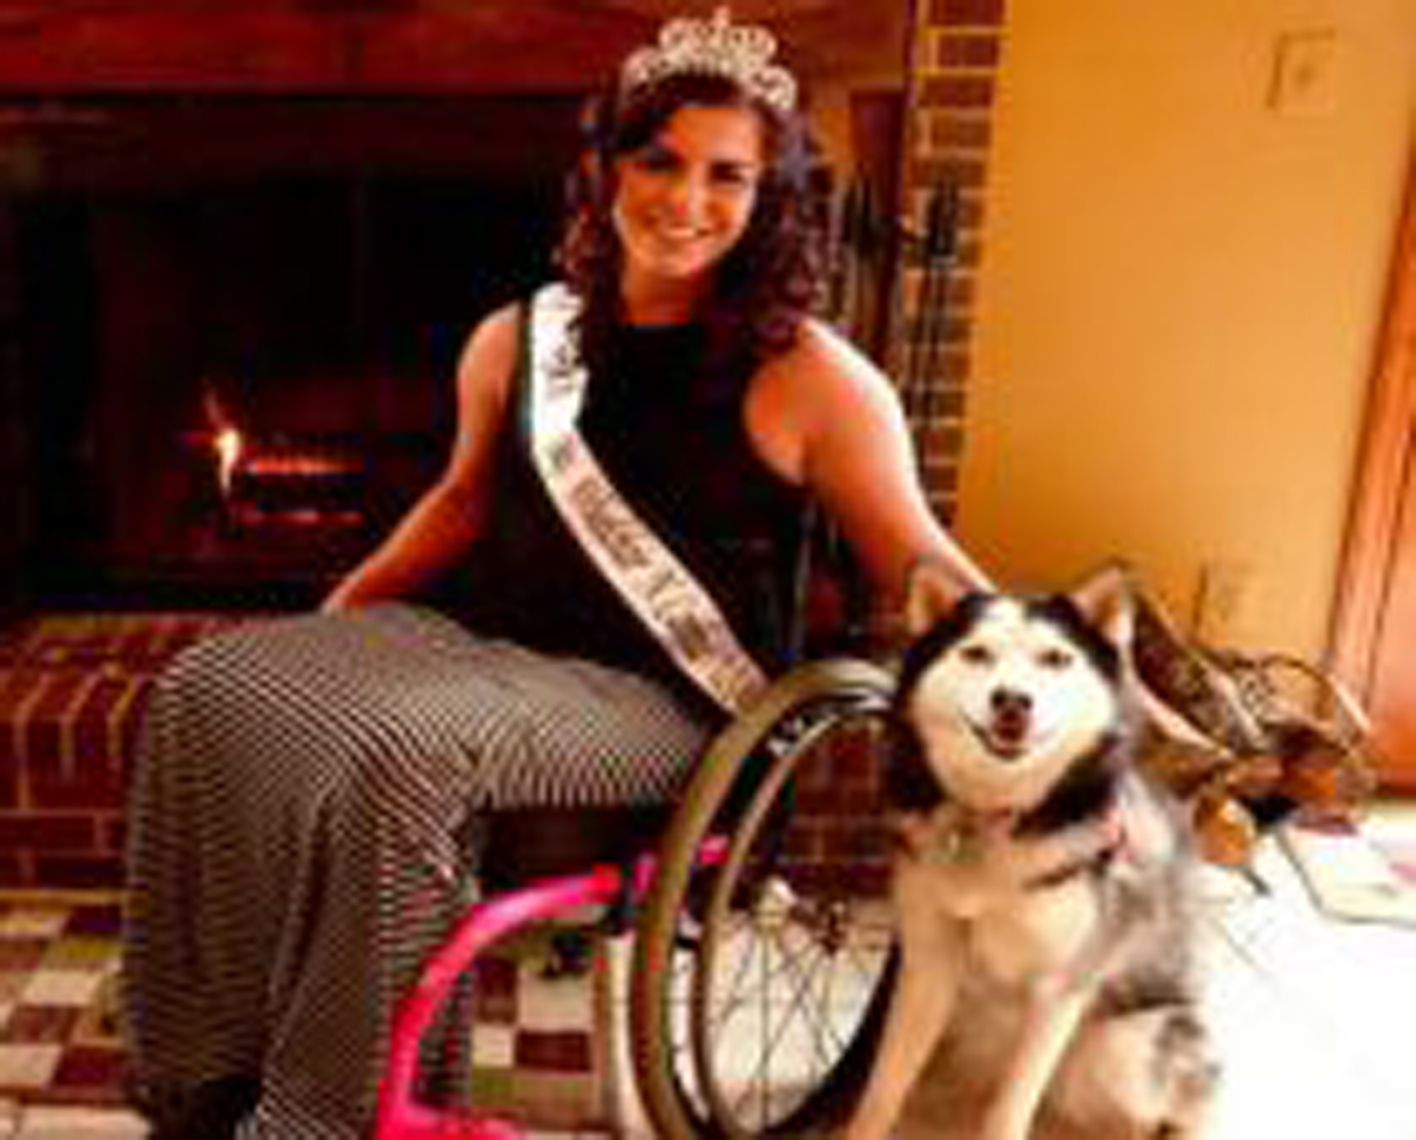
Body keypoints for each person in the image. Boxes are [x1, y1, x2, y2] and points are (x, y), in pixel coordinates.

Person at [121, 8, 990, 1138]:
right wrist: (338, 618)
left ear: (772, 196)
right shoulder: (522, 335)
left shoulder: (815, 379)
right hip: (480, 645)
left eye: (728, 176)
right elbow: (460, 503)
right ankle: (202, 1073)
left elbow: (921, 560)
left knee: (396, 762)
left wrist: (1056, 666)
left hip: (673, 707)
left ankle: (332, 1118)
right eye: (659, 159)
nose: (686, 199)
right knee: (210, 686)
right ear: (606, 167)